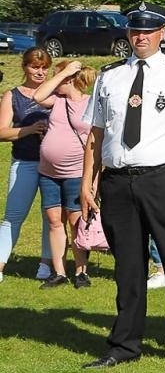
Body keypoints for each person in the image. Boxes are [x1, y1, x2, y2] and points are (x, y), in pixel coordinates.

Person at [81, 2, 165, 371]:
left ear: (162, 32)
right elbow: (95, 134)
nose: (140, 36)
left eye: (148, 31)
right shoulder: (109, 77)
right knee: (127, 267)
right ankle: (124, 345)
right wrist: (87, 182)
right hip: (119, 181)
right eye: (135, 31)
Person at [34, 60, 97, 288]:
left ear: (69, 80)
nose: (54, 79)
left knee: (75, 221)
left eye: (57, 76)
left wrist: (93, 180)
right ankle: (59, 272)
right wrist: (62, 74)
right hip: (48, 173)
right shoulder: (56, 101)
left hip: (76, 173)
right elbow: (38, 96)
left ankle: (81, 272)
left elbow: (97, 142)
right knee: (53, 221)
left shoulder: (90, 103)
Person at [0, 47, 56, 282]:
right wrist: (29, 130)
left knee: (51, 217)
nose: (40, 72)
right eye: (35, 66)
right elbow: (2, 132)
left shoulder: (56, 94)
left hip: (54, 164)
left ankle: (45, 264)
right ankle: (1, 265)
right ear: (24, 66)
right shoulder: (12, 95)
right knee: (13, 215)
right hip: (24, 162)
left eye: (44, 68)